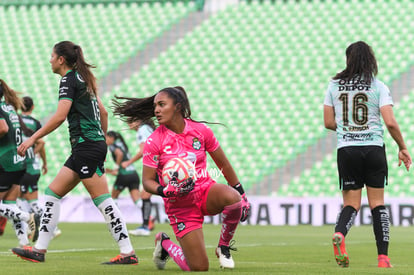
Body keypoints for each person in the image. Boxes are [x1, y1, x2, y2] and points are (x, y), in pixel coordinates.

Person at [12, 41, 138, 265]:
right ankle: (39, 250)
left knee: (103, 201)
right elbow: (103, 112)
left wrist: (32, 138)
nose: (49, 60)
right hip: (90, 145)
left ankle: (128, 252)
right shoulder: (85, 79)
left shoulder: (68, 79)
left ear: (61, 59)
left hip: (86, 146)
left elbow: (60, 116)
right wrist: (100, 140)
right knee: (52, 194)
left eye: (52, 56)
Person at [113, 86, 251, 271]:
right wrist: (164, 191)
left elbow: (223, 164)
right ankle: (165, 244)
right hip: (180, 205)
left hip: (204, 190)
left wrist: (242, 194)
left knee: (234, 199)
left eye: (162, 105)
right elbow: (147, 181)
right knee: (199, 267)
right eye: (155, 106)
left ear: (177, 107)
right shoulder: (154, 141)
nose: (156, 110)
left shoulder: (201, 131)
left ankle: (223, 247)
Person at [323, 41, 412, 268]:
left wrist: (348, 129)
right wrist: (402, 147)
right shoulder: (378, 86)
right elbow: (390, 122)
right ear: (370, 60)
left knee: (351, 204)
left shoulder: (334, 86)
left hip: (347, 150)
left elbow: (328, 122)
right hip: (373, 148)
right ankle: (383, 258)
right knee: (378, 204)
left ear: (348, 60)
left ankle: (340, 234)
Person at [0, 79, 39, 247]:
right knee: (10, 204)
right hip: (18, 162)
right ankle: (24, 244)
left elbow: (3, 129)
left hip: (6, 162)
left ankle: (28, 216)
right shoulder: (9, 108)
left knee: (12, 208)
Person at [105, 130, 150, 236]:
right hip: (133, 174)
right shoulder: (122, 144)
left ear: (112, 138)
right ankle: (148, 217)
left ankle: (115, 222)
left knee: (113, 197)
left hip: (124, 175)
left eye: (106, 138)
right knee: (137, 199)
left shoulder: (113, 146)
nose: (105, 140)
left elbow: (119, 154)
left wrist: (115, 168)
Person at [122, 120, 157, 236]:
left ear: (138, 120)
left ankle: (145, 227)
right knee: (145, 195)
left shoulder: (142, 130)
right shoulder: (148, 128)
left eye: (131, 120)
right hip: (161, 164)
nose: (129, 124)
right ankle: (146, 225)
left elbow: (143, 151)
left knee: (145, 195)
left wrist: (129, 162)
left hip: (156, 165)